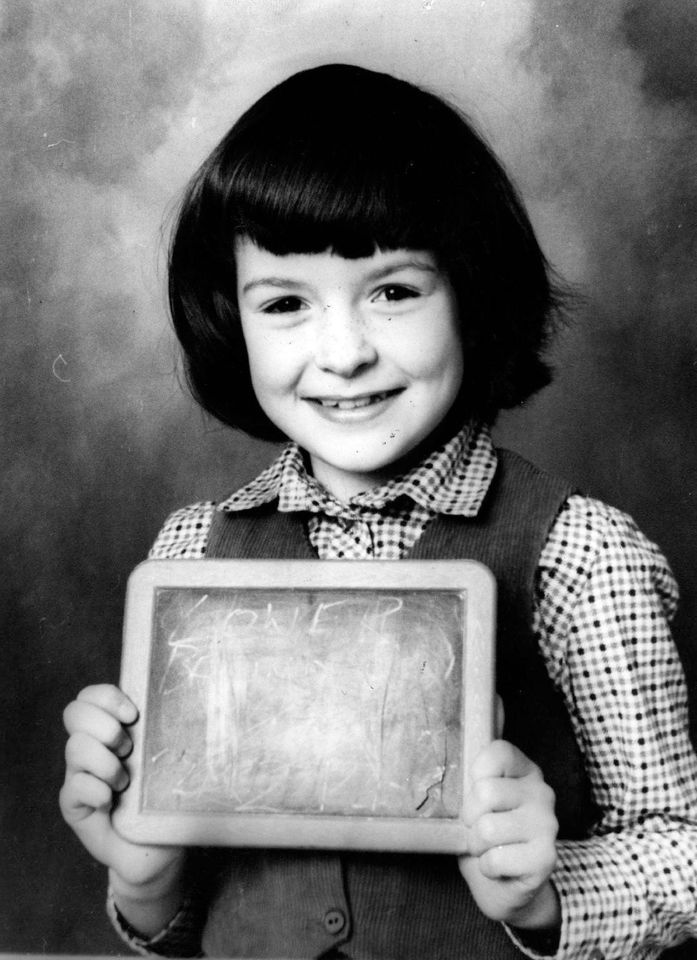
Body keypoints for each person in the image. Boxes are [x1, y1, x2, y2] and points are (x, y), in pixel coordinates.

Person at [59, 63, 697, 959]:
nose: (344, 353)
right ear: (227, 319)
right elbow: (183, 921)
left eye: (393, 290)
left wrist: (545, 896)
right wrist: (144, 875)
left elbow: (680, 852)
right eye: (284, 303)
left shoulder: (580, 552)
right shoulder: (192, 556)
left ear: (471, 295)